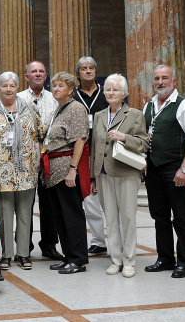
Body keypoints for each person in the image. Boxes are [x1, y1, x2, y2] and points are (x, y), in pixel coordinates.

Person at [142, 65, 185, 279]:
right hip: (154, 169)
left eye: (164, 78)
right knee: (159, 216)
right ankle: (165, 258)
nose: (160, 82)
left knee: (181, 216)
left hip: (176, 167)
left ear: (174, 81)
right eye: (157, 78)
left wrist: (184, 169)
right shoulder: (149, 105)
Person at [0, 71, 42, 271]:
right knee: (5, 215)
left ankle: (23, 254)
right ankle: (6, 254)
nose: (9, 89)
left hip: (26, 171)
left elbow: (40, 136)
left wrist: (37, 160)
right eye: (5, 86)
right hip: (1, 172)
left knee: (25, 213)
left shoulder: (31, 109)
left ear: (17, 88)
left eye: (12, 85)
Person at [91, 73, 150, 278]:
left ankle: (129, 260)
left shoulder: (134, 115)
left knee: (127, 218)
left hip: (126, 172)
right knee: (111, 219)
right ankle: (116, 259)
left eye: (115, 89)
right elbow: (95, 147)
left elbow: (144, 144)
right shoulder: (99, 115)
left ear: (124, 93)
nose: (110, 92)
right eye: (107, 89)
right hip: (104, 174)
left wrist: (124, 137)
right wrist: (93, 176)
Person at [41, 72, 90, 274]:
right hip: (53, 170)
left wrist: (72, 169)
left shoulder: (76, 108)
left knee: (72, 215)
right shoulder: (59, 109)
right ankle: (68, 256)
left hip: (66, 169)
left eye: (61, 86)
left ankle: (78, 259)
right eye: (54, 86)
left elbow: (80, 139)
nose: (56, 89)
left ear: (71, 90)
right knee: (60, 216)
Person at [17, 61, 61, 261]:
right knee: (24, 205)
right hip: (25, 160)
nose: (37, 74)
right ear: (26, 77)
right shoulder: (18, 99)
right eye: (33, 72)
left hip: (49, 159)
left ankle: (49, 245)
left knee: (49, 206)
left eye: (41, 72)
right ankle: (24, 246)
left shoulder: (55, 99)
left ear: (46, 76)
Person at [71, 57, 108, 258]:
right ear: (78, 73)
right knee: (91, 200)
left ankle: (118, 241)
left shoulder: (106, 93)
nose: (88, 71)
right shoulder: (73, 95)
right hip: (83, 153)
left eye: (91, 68)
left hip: (106, 153)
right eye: (84, 69)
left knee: (110, 200)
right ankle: (98, 241)